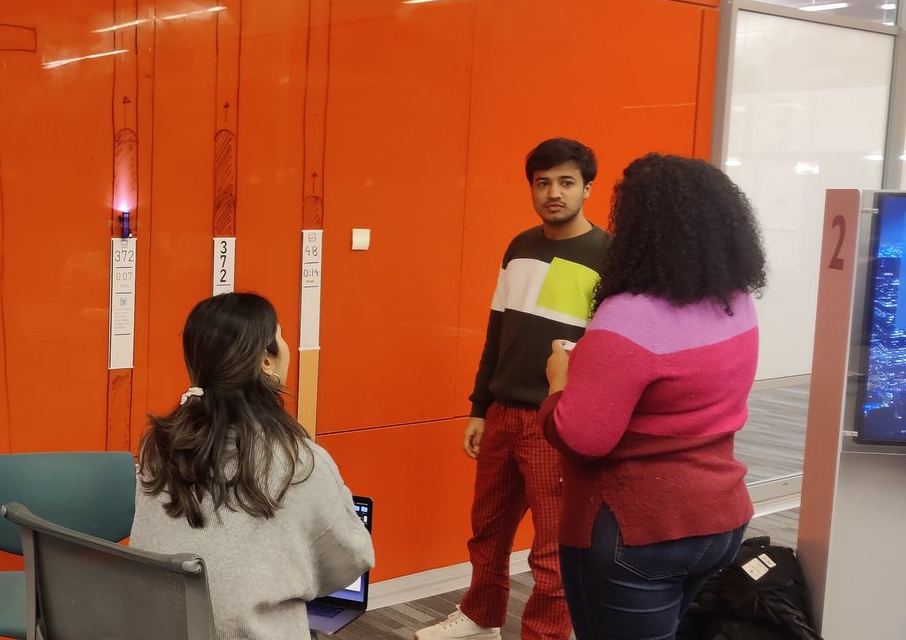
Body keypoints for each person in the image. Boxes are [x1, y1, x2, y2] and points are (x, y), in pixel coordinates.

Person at [541, 153, 764, 639]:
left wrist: (561, 378)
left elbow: (582, 437)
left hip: (637, 531)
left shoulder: (630, 316)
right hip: (720, 519)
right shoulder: (736, 301)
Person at [419, 138, 606, 640]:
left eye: (566, 182)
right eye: (543, 182)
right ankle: (482, 617)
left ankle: (544, 635)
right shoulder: (519, 246)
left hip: (555, 420)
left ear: (588, 188)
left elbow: (606, 355)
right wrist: (480, 407)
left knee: (552, 550)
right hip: (502, 413)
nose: (553, 193)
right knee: (488, 532)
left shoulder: (606, 256)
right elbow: (497, 332)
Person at [130, 292, 373, 639]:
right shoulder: (301, 462)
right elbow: (351, 559)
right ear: (266, 362)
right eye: (281, 335)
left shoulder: (159, 447)